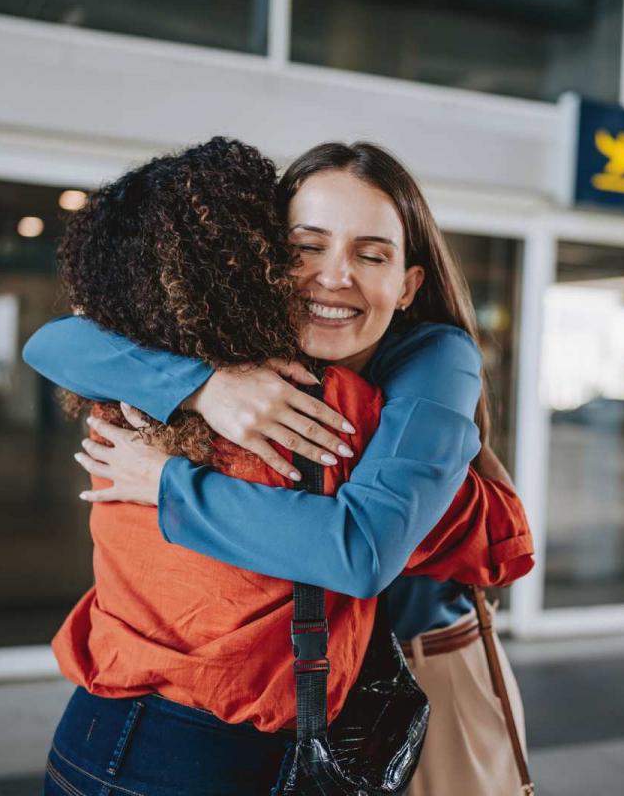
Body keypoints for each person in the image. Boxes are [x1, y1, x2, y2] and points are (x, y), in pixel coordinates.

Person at [29, 141, 535, 795]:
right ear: (264, 260)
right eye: (306, 247)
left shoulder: (423, 368)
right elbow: (52, 340)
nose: (335, 275)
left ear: (410, 283)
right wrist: (206, 386)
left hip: (115, 741)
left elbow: (365, 549)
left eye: (371, 254)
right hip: (184, 744)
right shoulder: (219, 367)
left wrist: (167, 481)